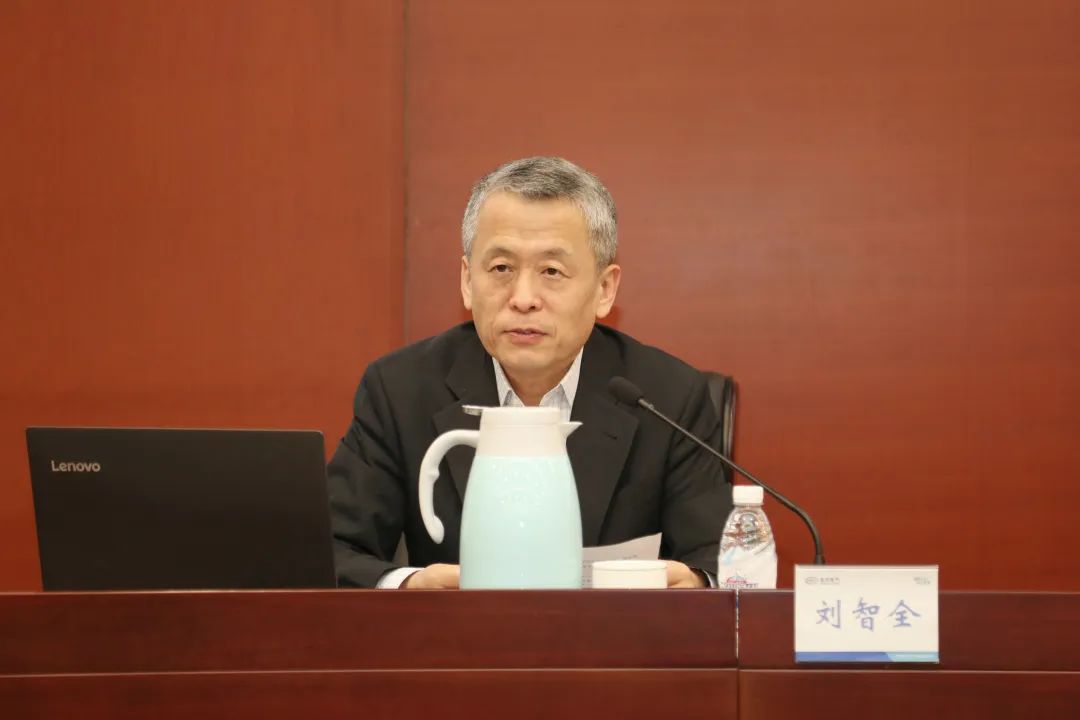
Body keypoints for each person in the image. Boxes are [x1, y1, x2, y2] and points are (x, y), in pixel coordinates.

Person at [328, 156, 731, 589]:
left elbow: (717, 561)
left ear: (604, 289)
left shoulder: (667, 397)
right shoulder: (401, 389)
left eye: (551, 271)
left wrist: (696, 583)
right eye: (501, 268)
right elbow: (331, 550)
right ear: (467, 281)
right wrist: (409, 586)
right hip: (457, 633)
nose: (523, 298)